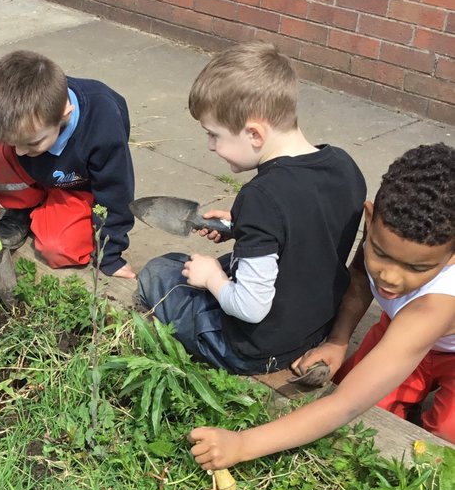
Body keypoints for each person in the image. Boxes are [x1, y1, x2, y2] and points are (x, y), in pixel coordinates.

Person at [189, 143, 455, 468]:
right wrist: (337, 341)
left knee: (444, 442)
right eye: (381, 253)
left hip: (430, 338)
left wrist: (244, 444)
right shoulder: (390, 234)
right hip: (400, 331)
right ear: (370, 220)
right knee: (369, 423)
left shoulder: (435, 306)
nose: (389, 276)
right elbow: (360, 277)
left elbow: (345, 405)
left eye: (416, 268)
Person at [137, 42, 366, 373]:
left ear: (255, 134)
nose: (210, 145)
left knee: (162, 270)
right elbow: (307, 232)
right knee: (206, 266)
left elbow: (250, 307)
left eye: (214, 134)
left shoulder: (261, 197)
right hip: (314, 325)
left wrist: (213, 279)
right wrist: (239, 227)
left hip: (255, 347)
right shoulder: (344, 166)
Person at [0, 50, 136, 278]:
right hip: (36, 172)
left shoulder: (103, 125)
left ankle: (44, 209)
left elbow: (116, 191)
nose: (19, 151)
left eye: (32, 142)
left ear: (64, 114)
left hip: (74, 184)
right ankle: (21, 208)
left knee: (57, 249)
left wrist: (109, 255)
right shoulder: (7, 105)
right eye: (14, 143)